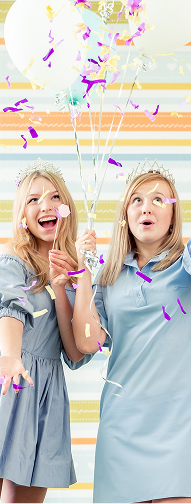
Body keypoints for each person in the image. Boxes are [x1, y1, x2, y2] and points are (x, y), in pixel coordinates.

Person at [71, 141, 191, 503]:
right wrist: (84, 270)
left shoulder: (188, 265)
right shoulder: (108, 278)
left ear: (173, 215)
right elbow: (86, 342)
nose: (147, 207)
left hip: (182, 423)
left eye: (159, 200)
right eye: (137, 200)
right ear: (125, 214)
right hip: (122, 425)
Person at [0, 160, 92, 503]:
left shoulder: (72, 274)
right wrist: (9, 357)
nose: (46, 205)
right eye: (34, 199)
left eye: (55, 197)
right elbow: (11, 309)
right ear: (22, 213)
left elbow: (75, 352)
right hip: (10, 382)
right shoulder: (13, 259)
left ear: (66, 208)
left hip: (44, 395)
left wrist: (79, 279)